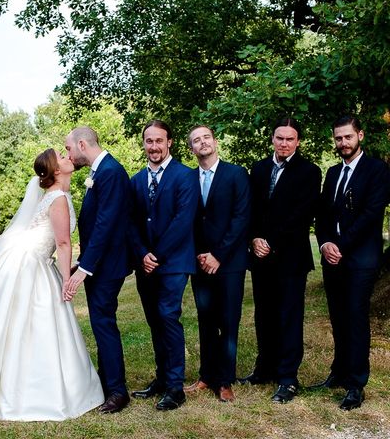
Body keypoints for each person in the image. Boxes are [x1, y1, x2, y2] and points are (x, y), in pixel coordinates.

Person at [0, 149, 103, 421]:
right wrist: (66, 281)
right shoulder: (58, 198)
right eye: (61, 156)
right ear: (56, 170)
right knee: (32, 321)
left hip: (30, 259)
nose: (67, 157)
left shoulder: (55, 195)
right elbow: (62, 244)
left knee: (23, 324)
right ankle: (29, 394)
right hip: (29, 263)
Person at [241, 118, 321, 404]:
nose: (284, 143)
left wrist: (271, 241)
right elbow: (250, 209)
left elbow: (301, 216)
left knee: (289, 317)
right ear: (272, 139)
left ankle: (288, 378)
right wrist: (254, 238)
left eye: (290, 139)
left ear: (297, 141)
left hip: (291, 258)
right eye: (279, 138)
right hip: (260, 256)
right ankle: (264, 369)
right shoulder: (259, 169)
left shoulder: (310, 172)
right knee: (264, 315)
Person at [314, 115, 390, 410]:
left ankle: (356, 384)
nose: (342, 143)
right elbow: (322, 215)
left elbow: (371, 215)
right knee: (337, 317)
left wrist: (340, 245)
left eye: (348, 137)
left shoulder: (377, 170)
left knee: (356, 318)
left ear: (361, 136)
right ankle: (339, 371)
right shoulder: (332, 172)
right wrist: (324, 243)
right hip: (333, 259)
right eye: (338, 138)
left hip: (361, 259)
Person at [128, 120, 199, 411]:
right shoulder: (135, 180)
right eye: (149, 141)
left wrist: (156, 254)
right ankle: (160, 378)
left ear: (169, 142)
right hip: (146, 264)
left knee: (168, 317)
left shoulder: (185, 176)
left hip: (173, 262)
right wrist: (142, 253)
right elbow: (130, 221)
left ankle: (175, 386)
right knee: (154, 321)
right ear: (143, 143)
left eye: (159, 141)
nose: (154, 146)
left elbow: (183, 220)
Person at [63, 127, 132, 414]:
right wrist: (82, 261)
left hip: (108, 266)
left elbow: (107, 223)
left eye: (69, 149)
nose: (68, 155)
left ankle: (117, 391)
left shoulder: (111, 172)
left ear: (82, 144)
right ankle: (107, 383)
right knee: (101, 323)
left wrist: (85, 269)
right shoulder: (100, 171)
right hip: (99, 263)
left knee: (104, 324)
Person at [186, 125, 250, 402]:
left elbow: (241, 218)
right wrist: (200, 255)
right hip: (199, 262)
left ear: (215, 141)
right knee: (205, 320)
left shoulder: (236, 174)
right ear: (191, 148)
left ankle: (225, 380)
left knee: (228, 320)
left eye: (206, 137)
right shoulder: (187, 178)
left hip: (229, 262)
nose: (202, 143)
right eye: (196, 140)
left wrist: (218, 255)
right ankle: (206, 375)